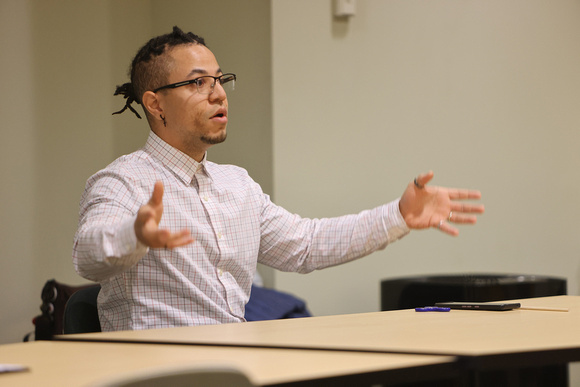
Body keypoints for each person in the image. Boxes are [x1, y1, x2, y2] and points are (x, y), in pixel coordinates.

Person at [73, 26, 484, 332]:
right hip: (157, 373)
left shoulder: (236, 185)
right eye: (198, 82)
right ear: (155, 103)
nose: (218, 94)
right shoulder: (123, 180)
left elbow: (306, 246)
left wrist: (399, 216)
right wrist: (135, 235)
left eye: (220, 79)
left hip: (237, 367)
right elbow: (88, 257)